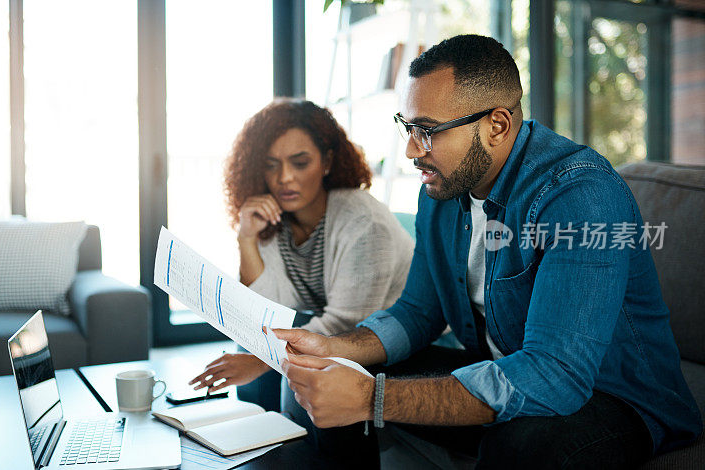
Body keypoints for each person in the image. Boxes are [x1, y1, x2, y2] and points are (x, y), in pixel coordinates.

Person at [273, 35, 702, 469]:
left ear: (496, 125)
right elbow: (419, 312)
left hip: (615, 399)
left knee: (519, 446)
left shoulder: (579, 196)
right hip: (509, 368)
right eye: (408, 127)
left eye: (428, 131)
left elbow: (556, 376)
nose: (410, 151)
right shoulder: (442, 189)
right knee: (335, 376)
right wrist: (335, 350)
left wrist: (373, 399)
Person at [189, 99, 414, 416]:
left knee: (294, 369)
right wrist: (247, 238)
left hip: (394, 339)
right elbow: (265, 312)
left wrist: (263, 360)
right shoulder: (276, 220)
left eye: (299, 162)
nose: (284, 178)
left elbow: (348, 326)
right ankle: (259, 445)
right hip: (340, 333)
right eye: (271, 165)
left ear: (326, 161)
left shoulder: (365, 223)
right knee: (256, 343)